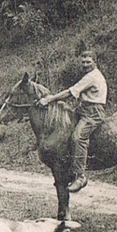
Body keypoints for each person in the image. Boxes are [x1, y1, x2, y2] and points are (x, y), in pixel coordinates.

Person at [38, 50, 107, 193]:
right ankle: (69, 168)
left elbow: (70, 92)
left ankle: (80, 176)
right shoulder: (89, 75)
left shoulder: (92, 77)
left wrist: (49, 99)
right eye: (83, 62)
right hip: (84, 110)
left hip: (93, 113)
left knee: (78, 137)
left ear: (95, 62)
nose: (85, 65)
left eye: (88, 62)